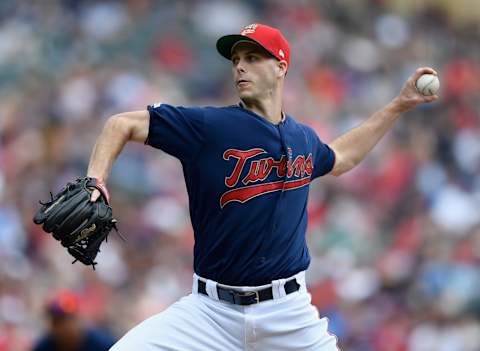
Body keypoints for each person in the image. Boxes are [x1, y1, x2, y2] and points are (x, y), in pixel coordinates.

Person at [86, 23, 438, 350]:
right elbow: (121, 124)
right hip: (209, 314)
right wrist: (95, 180)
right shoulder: (210, 126)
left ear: (281, 66)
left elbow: (341, 157)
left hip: (288, 315)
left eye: (253, 58)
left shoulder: (303, 138)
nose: (240, 66)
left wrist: (398, 105)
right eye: (236, 59)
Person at [31, 290, 116, 351]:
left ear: (77, 318)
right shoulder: (45, 346)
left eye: (67, 320)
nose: (63, 327)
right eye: (58, 322)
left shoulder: (102, 344)